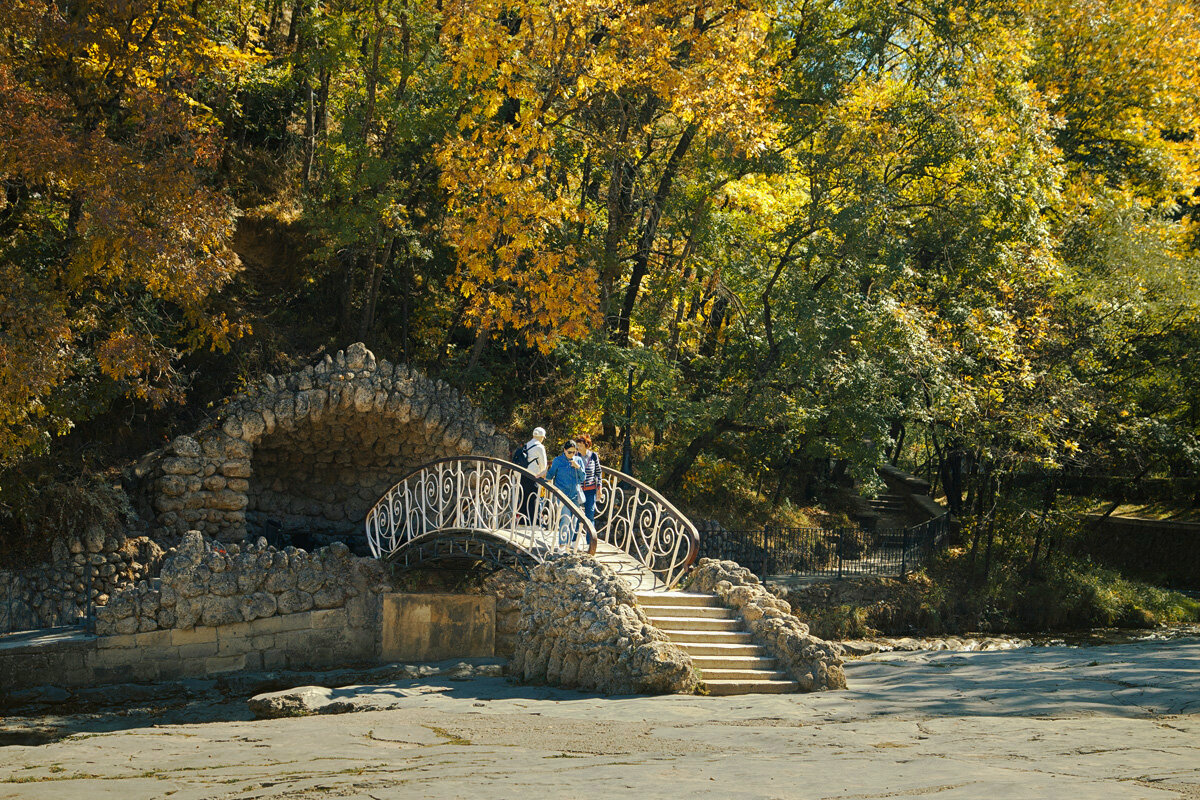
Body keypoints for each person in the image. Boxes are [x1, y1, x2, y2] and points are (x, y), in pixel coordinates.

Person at [545, 439, 586, 548]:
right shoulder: (558, 460)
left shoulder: (578, 460)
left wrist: (578, 467)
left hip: (575, 495)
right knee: (566, 518)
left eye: (574, 452)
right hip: (562, 495)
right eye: (569, 452)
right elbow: (550, 475)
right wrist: (543, 474)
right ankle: (562, 545)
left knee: (574, 520)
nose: (572, 455)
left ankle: (568, 545)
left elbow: (583, 478)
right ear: (564, 450)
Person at [517, 427, 547, 525]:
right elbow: (544, 465)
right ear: (541, 437)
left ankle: (522, 521)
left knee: (524, 498)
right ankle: (534, 522)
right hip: (535, 476)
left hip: (523, 475)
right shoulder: (540, 447)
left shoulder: (526, 445)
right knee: (533, 499)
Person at [577, 434, 602, 539]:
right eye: (578, 445)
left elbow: (598, 473)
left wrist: (599, 489)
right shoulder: (575, 456)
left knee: (590, 515)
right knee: (576, 515)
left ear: (587, 445)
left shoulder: (593, 456)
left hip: (590, 490)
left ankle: (590, 541)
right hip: (578, 490)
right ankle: (573, 540)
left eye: (581, 446)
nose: (579, 448)